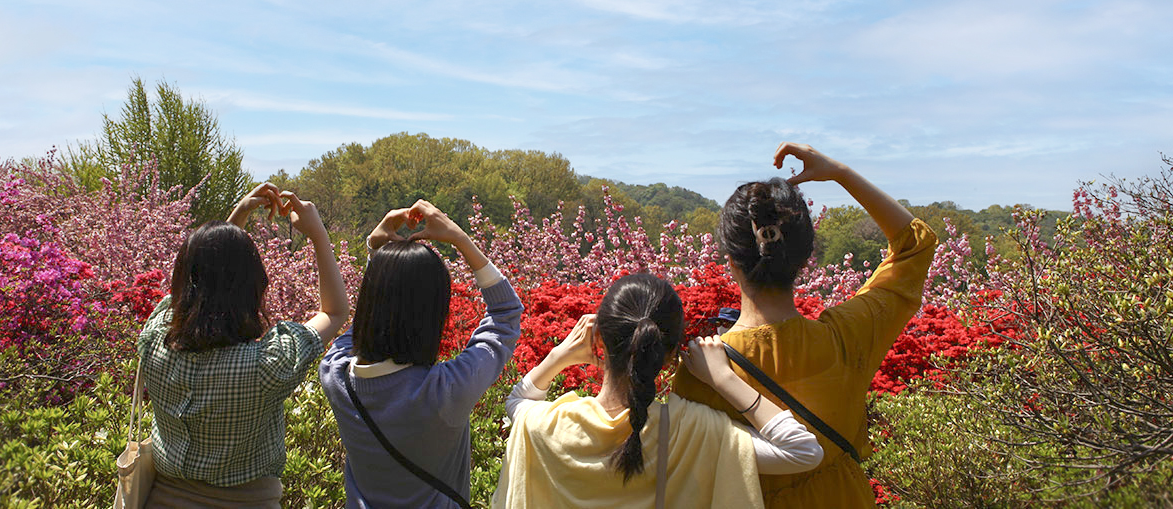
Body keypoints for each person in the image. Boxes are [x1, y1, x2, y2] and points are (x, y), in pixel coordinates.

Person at [671, 142, 939, 508]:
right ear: (805, 257)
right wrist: (840, 173)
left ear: (730, 261)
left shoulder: (703, 371)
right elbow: (915, 246)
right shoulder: (847, 337)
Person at [493, 273, 823, 509]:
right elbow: (803, 451)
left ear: (599, 341)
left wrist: (560, 355)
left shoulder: (545, 425)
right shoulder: (689, 430)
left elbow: (518, 401)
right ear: (669, 356)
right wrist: (723, 378)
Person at [137, 183, 349, 508]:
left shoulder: (155, 337)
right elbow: (334, 312)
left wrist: (236, 216)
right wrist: (318, 234)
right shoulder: (266, 367)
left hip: (160, 498)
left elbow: (191, 290)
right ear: (253, 286)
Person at [319, 199, 523, 508]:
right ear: (431, 315)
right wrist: (460, 238)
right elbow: (506, 314)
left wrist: (379, 256)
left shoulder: (335, 373)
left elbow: (363, 323)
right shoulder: (443, 391)